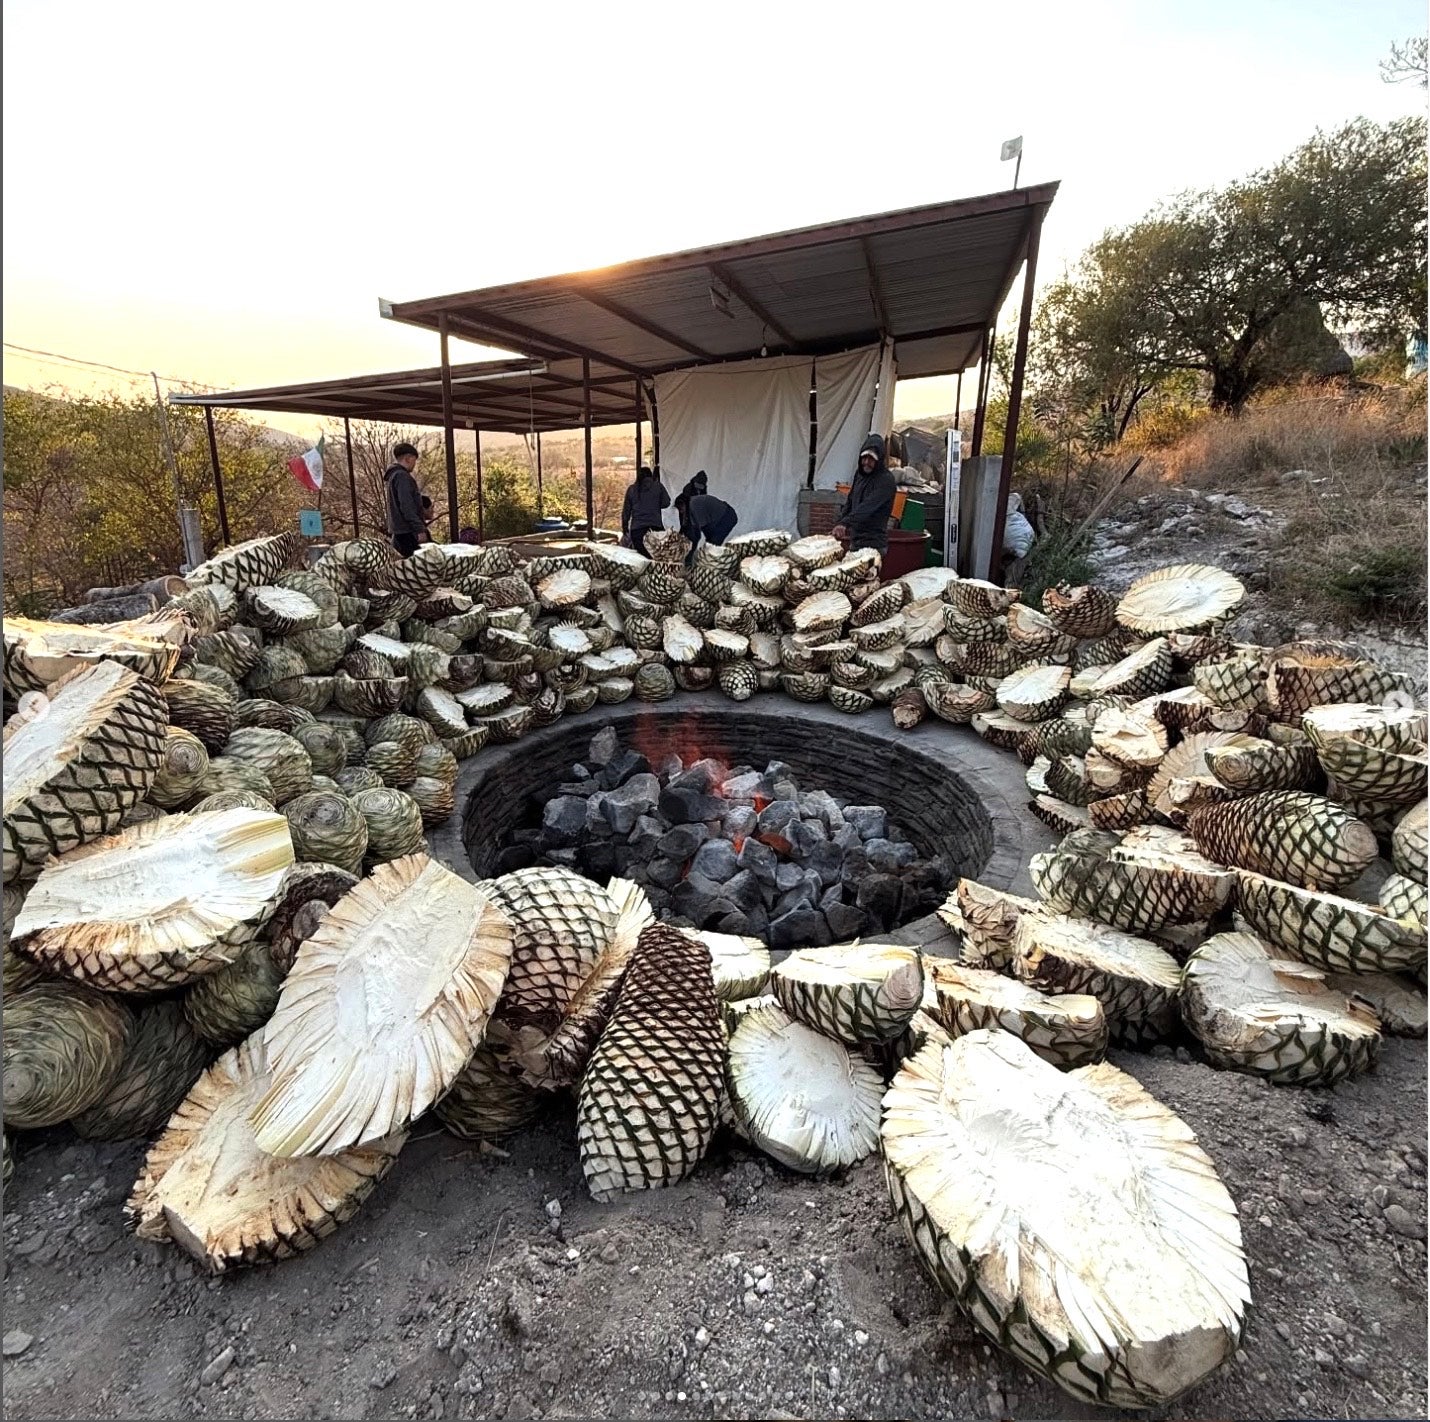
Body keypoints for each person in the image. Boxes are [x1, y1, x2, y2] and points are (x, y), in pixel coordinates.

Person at [832, 434, 897, 555]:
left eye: (871, 459)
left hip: (874, 545)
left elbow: (868, 507)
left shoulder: (886, 480)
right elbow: (851, 500)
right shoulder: (860, 474)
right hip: (856, 541)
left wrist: (845, 523)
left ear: (879, 459)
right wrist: (840, 522)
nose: (866, 462)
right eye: (864, 458)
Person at [385, 442, 428, 557]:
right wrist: (419, 529)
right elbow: (406, 506)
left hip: (398, 532)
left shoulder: (393, 476)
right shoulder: (402, 477)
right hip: (408, 533)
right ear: (408, 458)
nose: (415, 464)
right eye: (414, 460)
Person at [621, 466, 670, 556]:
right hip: (656, 529)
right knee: (657, 558)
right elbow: (666, 503)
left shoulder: (632, 489)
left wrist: (624, 526)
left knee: (641, 559)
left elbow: (626, 511)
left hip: (637, 529)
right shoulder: (658, 486)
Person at [674, 486, 738, 554]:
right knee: (709, 544)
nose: (680, 511)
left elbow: (697, 532)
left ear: (684, 504)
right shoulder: (689, 506)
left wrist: (691, 551)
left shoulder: (694, 506)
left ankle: (713, 561)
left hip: (726, 517)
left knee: (712, 545)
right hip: (715, 518)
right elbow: (686, 526)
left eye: (681, 509)